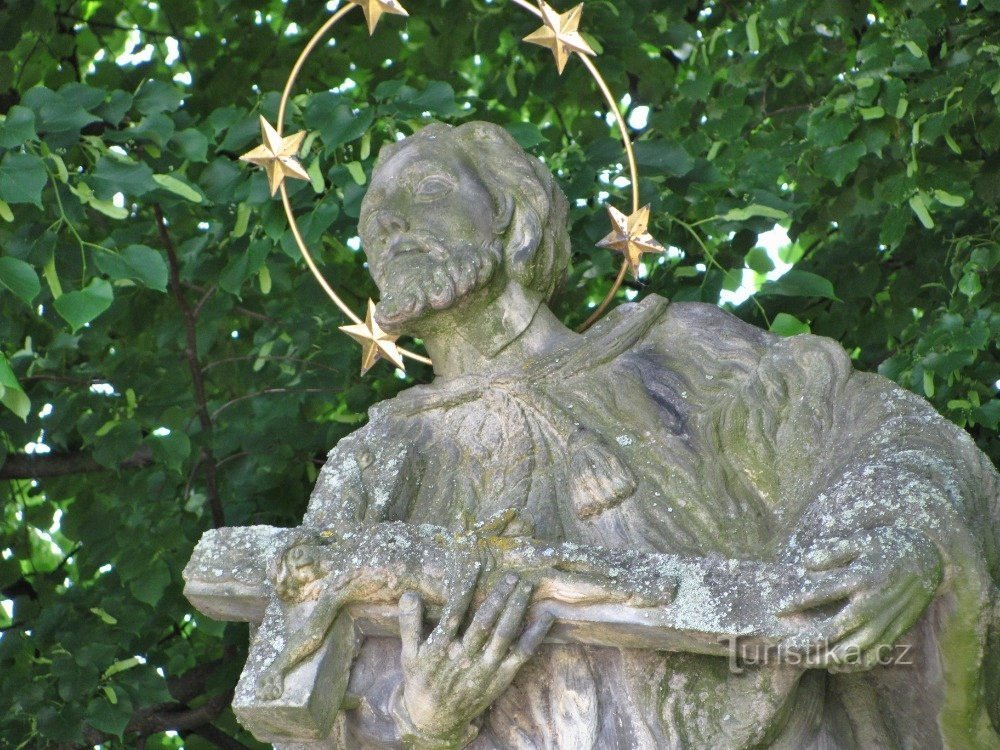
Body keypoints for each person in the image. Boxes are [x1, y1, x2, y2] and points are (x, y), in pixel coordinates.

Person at [300, 121, 999, 749]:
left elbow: (884, 435)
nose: (392, 223)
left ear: (513, 216)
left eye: (427, 188)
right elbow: (307, 702)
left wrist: (900, 534)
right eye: (374, 218)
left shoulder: (679, 356)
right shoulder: (374, 465)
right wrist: (424, 722)